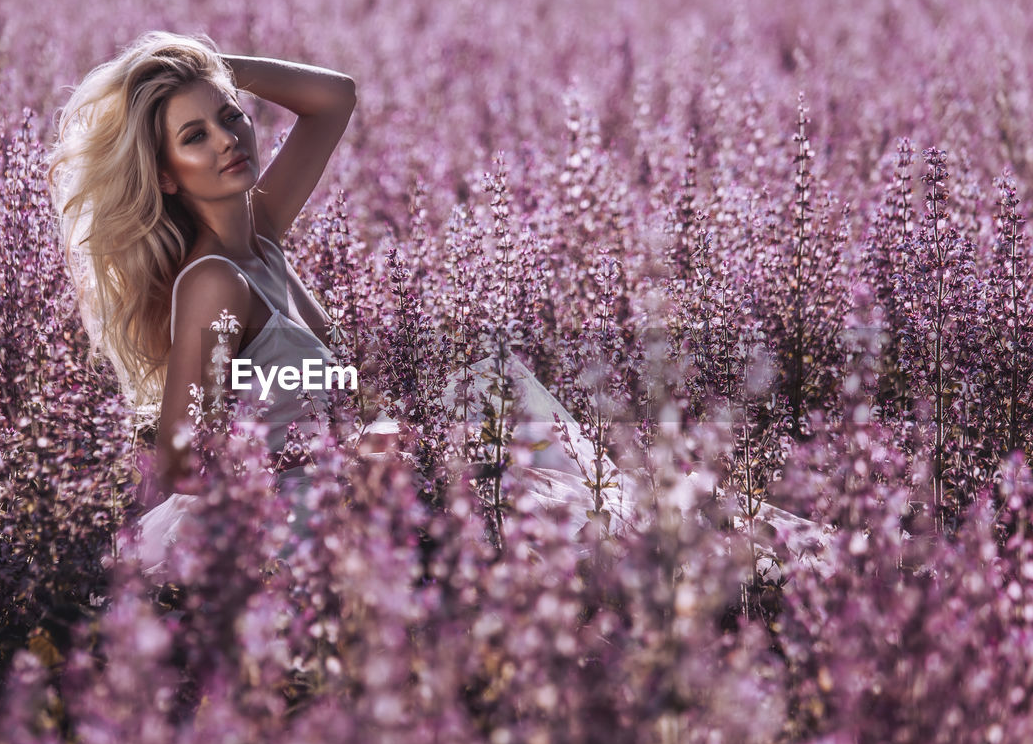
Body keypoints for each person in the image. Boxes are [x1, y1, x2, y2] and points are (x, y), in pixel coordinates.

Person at [47, 31, 830, 582]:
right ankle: (788, 561)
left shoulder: (264, 230)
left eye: (230, 115)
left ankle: (782, 551)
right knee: (547, 487)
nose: (226, 138)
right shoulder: (214, 281)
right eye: (194, 135)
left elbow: (334, 98)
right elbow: (186, 461)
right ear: (169, 176)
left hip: (347, 477)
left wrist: (213, 64)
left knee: (494, 389)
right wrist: (335, 460)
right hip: (295, 516)